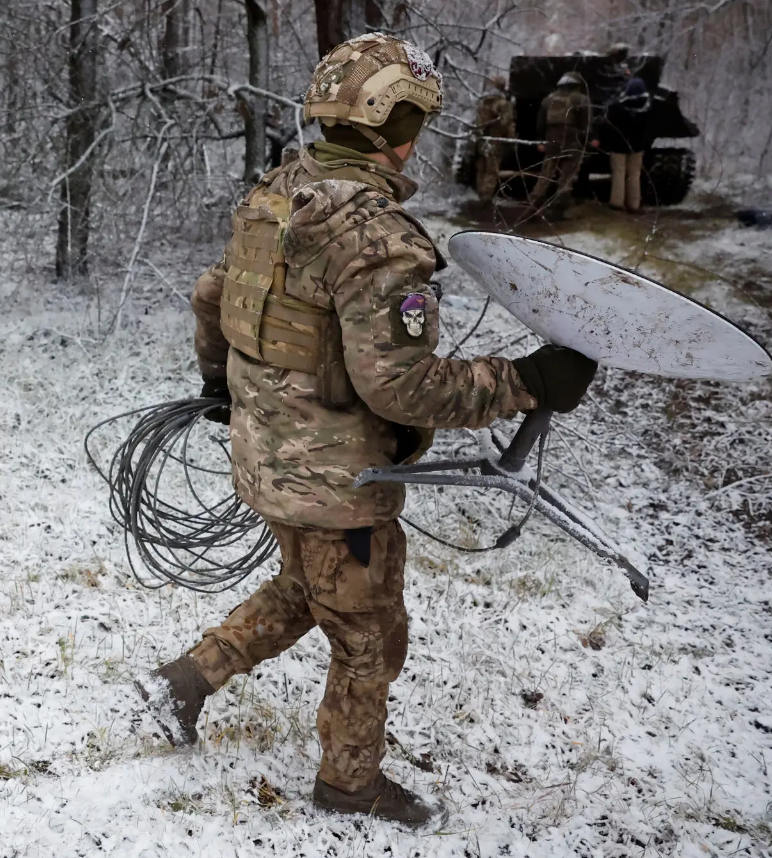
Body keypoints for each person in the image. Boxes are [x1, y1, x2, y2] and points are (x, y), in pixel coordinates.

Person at [137, 33, 598, 828]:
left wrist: (221, 386)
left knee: (306, 591)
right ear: (395, 125)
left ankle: (184, 682)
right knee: (370, 634)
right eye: (415, 116)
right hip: (337, 485)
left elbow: (212, 298)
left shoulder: (276, 192)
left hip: (266, 458)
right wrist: (525, 383)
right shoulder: (375, 236)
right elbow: (404, 385)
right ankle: (349, 785)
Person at [529, 71, 593, 218]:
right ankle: (558, 210)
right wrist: (586, 142)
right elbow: (587, 124)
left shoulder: (548, 100)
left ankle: (533, 205)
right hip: (572, 143)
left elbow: (540, 124)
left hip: (552, 143)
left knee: (545, 176)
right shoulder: (581, 99)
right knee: (566, 178)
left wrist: (541, 140)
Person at [600, 76, 653, 212]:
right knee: (634, 175)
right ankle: (634, 204)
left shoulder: (616, 107)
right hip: (638, 147)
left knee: (619, 173)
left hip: (618, 146)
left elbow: (608, 126)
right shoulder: (648, 108)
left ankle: (617, 203)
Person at [473, 75, 516, 200]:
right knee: (491, 170)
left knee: (481, 168)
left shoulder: (483, 102)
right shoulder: (503, 103)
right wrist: (511, 139)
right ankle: (485, 197)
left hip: (481, 140)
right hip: (495, 140)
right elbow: (506, 123)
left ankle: (479, 193)